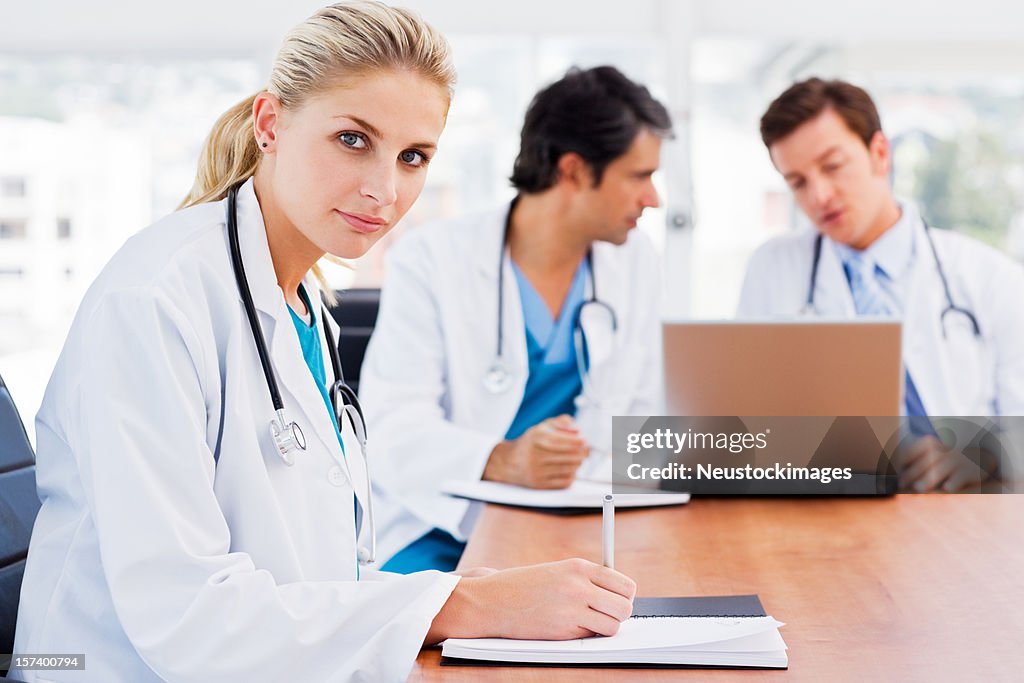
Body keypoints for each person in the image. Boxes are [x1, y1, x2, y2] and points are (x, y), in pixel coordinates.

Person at [10, 5, 637, 681]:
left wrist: (464, 596)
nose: (385, 190)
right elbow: (186, 618)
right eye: (352, 139)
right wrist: (462, 602)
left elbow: (315, 566)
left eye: (413, 156)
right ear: (271, 123)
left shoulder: (304, 300)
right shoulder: (157, 299)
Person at [359, 66, 671, 573]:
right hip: (443, 529)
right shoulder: (433, 259)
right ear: (572, 170)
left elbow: (641, 417)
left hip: (581, 526)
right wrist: (503, 459)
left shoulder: (634, 261)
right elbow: (391, 427)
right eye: (640, 176)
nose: (653, 199)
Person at [736, 77, 1024, 493]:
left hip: (955, 510)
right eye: (797, 182)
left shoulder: (989, 277)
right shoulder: (773, 268)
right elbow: (743, 426)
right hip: (827, 513)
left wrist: (987, 454)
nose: (819, 195)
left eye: (833, 166)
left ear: (880, 153)